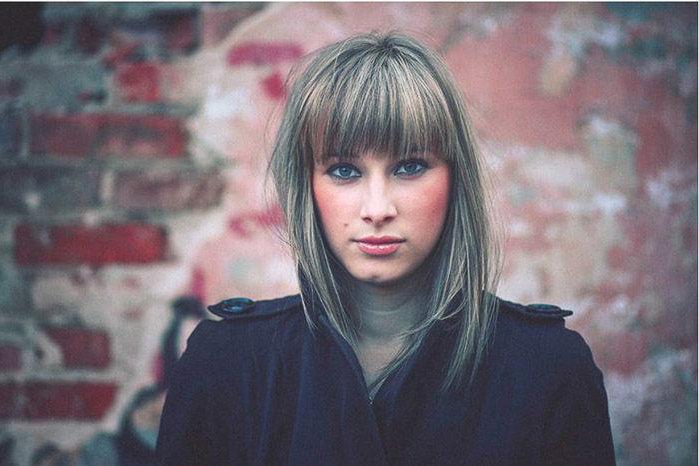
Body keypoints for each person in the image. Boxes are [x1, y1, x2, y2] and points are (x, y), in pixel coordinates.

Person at [156, 33, 615, 465]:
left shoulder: (550, 369)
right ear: (307, 186)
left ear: (455, 180)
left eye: (410, 166)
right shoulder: (227, 362)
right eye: (344, 171)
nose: (378, 209)